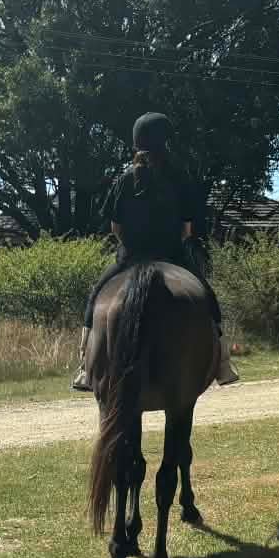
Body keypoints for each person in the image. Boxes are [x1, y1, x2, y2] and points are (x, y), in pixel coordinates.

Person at [72, 111, 240, 392]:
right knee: (209, 299)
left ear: (136, 144)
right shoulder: (180, 177)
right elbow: (188, 228)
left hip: (130, 257)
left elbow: (115, 225)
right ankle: (223, 362)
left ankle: (84, 367)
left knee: (95, 299)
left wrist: (131, 246)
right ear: (167, 143)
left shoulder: (125, 179)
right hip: (173, 255)